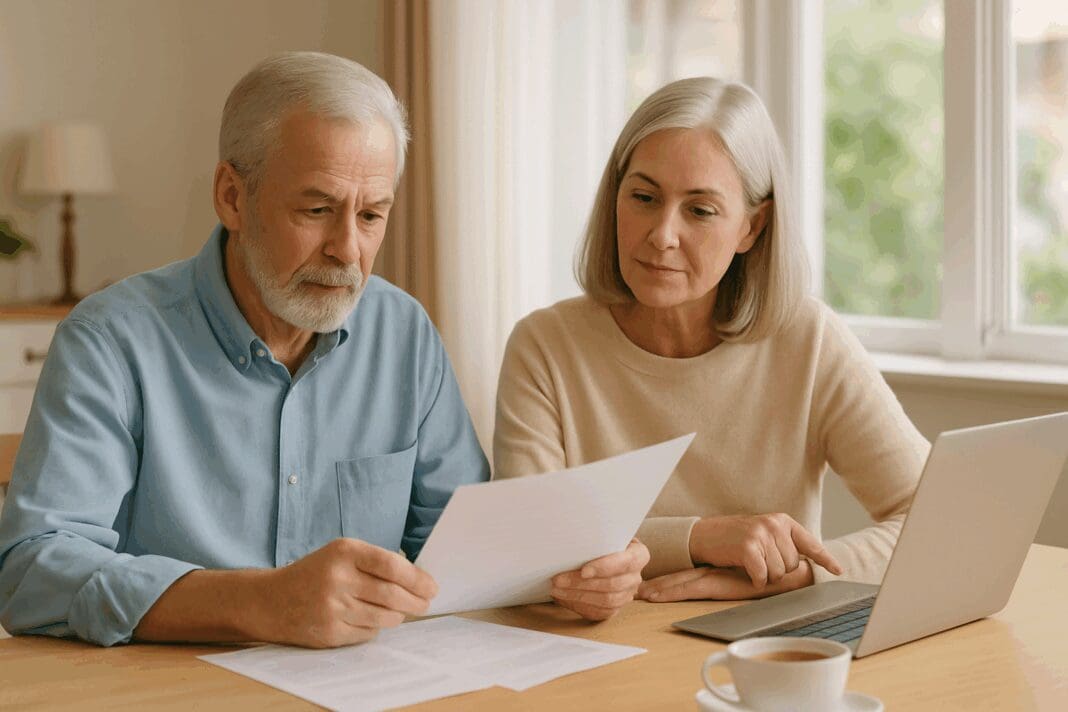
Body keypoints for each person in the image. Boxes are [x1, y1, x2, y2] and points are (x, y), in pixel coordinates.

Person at [0, 52, 488, 648]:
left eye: (371, 215)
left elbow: (464, 547)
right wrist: (256, 602)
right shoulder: (111, 340)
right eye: (317, 210)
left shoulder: (404, 333)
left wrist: (562, 569)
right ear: (232, 197)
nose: (347, 249)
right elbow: (31, 571)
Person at [494, 77, 929, 612]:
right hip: (596, 659)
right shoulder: (545, 346)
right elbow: (526, 540)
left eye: (699, 210)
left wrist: (799, 576)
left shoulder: (808, 340)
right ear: (615, 198)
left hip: (764, 655)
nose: (662, 234)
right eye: (644, 198)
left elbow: (939, 519)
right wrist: (700, 539)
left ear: (753, 227)